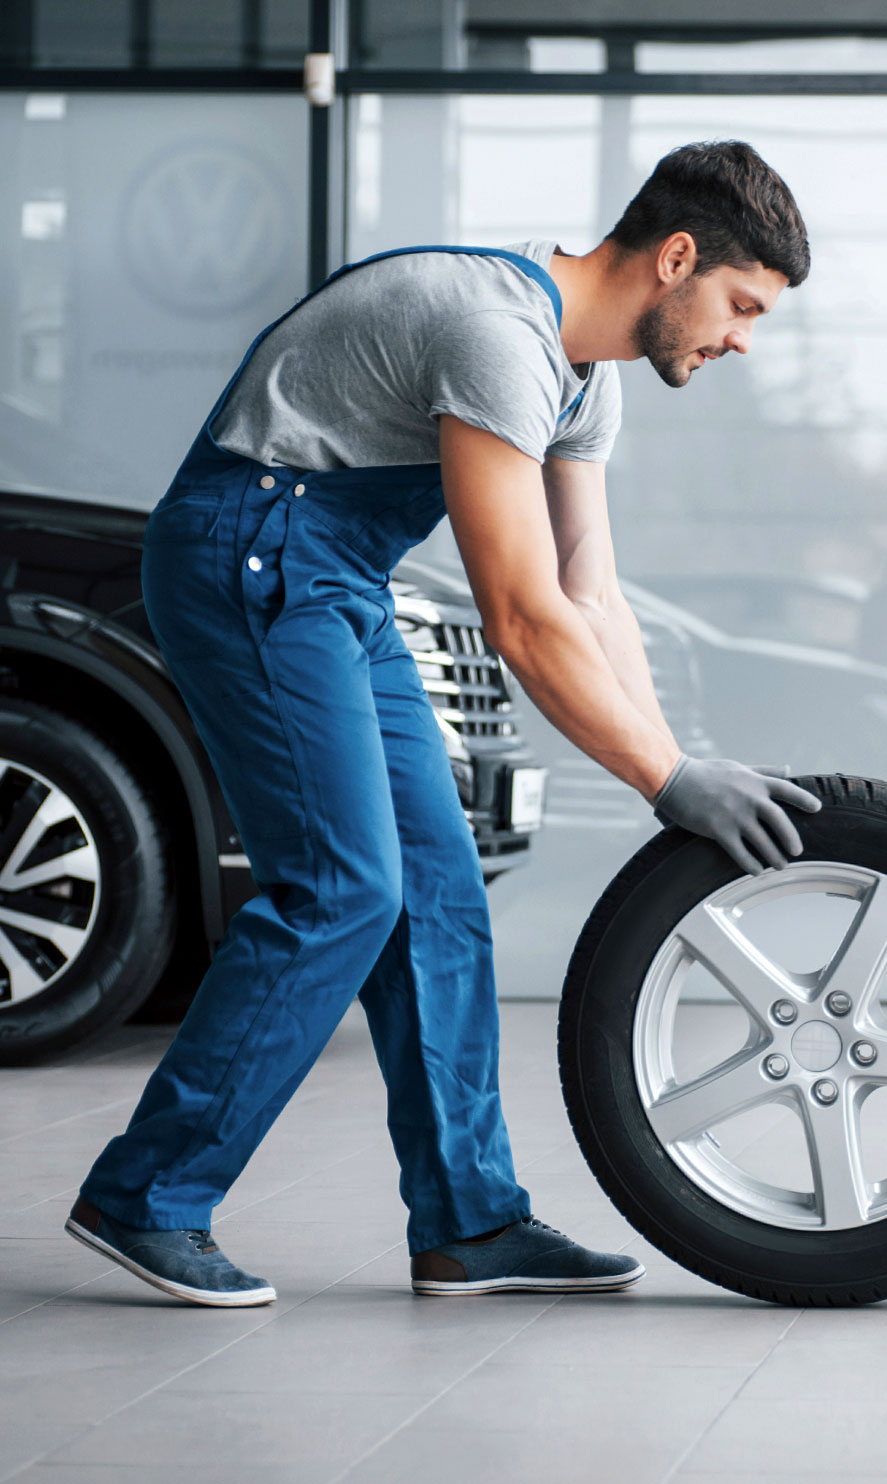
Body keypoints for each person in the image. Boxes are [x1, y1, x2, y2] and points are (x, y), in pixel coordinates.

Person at [66, 140, 820, 1306]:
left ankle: (469, 1221)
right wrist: (665, 781)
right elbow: (520, 618)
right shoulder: (498, 335)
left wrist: (678, 761)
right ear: (675, 258)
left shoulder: (582, 376)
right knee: (341, 887)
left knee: (436, 889)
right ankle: (144, 1195)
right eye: (738, 305)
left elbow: (589, 595)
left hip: (330, 574)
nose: (738, 340)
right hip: (247, 547)